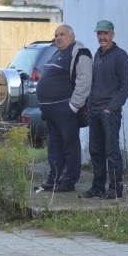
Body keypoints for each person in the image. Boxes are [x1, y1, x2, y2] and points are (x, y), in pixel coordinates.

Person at [35, 24, 92, 193]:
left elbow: (84, 81)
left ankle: (68, 181)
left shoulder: (79, 53)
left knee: (70, 145)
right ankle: (54, 179)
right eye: (56, 35)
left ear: (72, 37)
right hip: (51, 112)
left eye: (62, 34)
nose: (58, 38)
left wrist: (73, 107)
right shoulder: (57, 53)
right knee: (54, 147)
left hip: (65, 110)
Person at [80, 20, 128, 200]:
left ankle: (115, 189)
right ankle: (98, 187)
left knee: (111, 151)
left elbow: (126, 88)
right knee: (95, 150)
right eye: (99, 34)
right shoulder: (98, 55)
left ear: (112, 35)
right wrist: (89, 105)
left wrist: (110, 108)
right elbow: (94, 83)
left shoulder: (121, 56)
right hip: (94, 111)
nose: (102, 37)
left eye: (105, 34)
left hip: (109, 112)